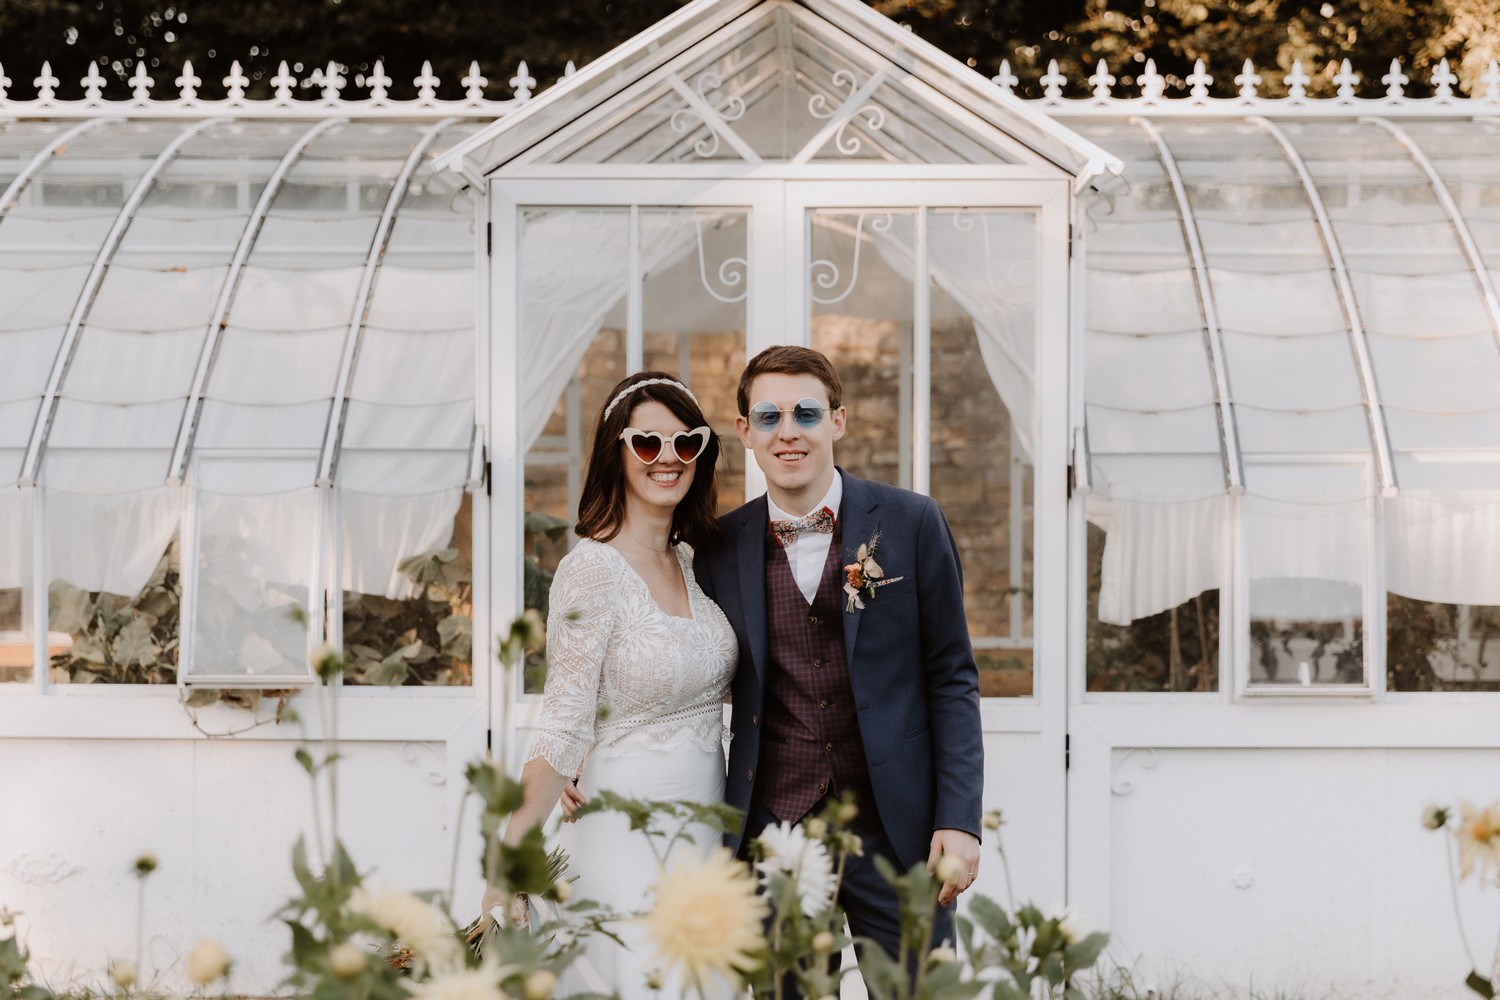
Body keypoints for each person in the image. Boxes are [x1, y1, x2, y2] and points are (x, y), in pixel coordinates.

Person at [696, 345, 983, 976]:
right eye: (768, 417)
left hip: (900, 829)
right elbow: (674, 658)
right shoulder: (718, 547)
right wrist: (587, 744)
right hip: (778, 831)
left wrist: (960, 820)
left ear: (839, 421)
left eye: (806, 412)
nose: (788, 432)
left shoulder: (912, 522)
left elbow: (952, 677)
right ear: (744, 431)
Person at [482, 372, 738, 1000]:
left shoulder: (697, 562)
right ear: (615, 453)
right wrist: (507, 863)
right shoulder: (590, 569)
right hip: (623, 830)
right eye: (647, 444)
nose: (669, 459)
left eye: (687, 443)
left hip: (707, 830)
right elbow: (565, 720)